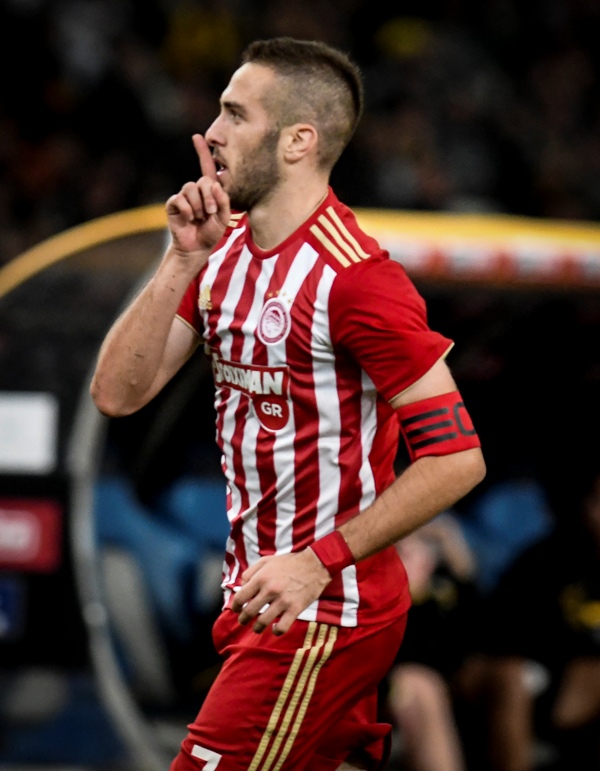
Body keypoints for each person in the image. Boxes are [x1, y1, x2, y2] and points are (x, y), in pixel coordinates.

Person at [89, 36, 486, 771]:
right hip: (257, 598)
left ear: (299, 141)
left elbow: (458, 458)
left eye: (235, 114)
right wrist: (181, 257)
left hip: (324, 611)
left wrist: (317, 561)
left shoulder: (358, 280)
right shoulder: (222, 251)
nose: (211, 132)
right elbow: (117, 393)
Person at [454, 465, 600, 771]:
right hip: (514, 668)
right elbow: (505, 640)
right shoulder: (547, 559)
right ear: (585, 505)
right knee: (514, 676)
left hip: (576, 681)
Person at [385, 512, 480, 771]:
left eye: (426, 544)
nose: (420, 553)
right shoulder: (385, 589)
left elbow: (477, 625)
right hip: (393, 678)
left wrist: (453, 547)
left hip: (447, 674)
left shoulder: (444, 588)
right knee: (420, 685)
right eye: (405, 549)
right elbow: (396, 652)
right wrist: (406, 591)